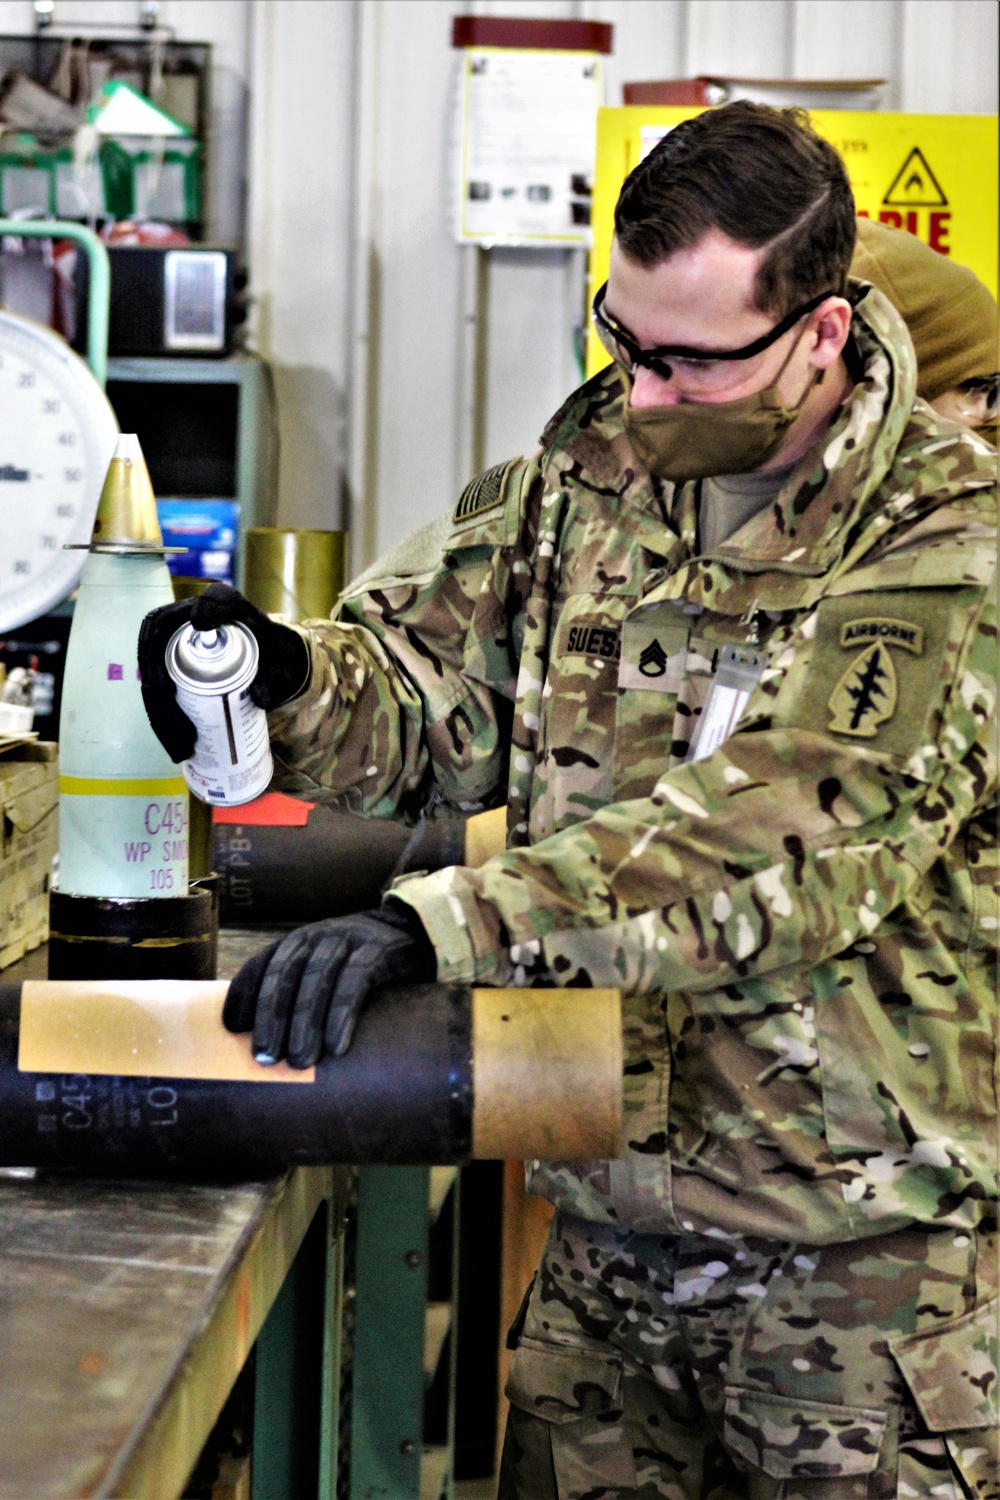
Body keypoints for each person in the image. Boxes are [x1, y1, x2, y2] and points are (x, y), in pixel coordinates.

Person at [139, 103, 998, 1499]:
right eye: (624, 338)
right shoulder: (592, 476)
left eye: (691, 363)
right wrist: (281, 677)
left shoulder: (949, 537)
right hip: (605, 1251)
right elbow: (428, 689)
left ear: (823, 335)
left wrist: (443, 927)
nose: (644, 392)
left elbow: (794, 835)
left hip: (862, 1291)